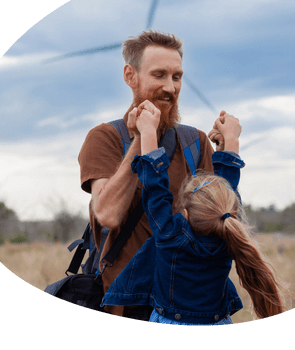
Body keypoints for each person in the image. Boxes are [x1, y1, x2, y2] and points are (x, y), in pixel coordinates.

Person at [78, 30, 218, 320]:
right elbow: (108, 215)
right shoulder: (105, 137)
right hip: (126, 304)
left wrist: (229, 151)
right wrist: (142, 140)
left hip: (187, 305)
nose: (171, 88)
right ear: (131, 76)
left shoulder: (196, 142)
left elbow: (217, 227)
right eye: (159, 75)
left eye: (177, 77)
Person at [102, 105, 286, 324]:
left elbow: (155, 189)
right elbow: (225, 193)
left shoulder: (171, 237)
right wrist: (230, 141)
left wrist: (148, 133)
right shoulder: (228, 235)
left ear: (185, 214)